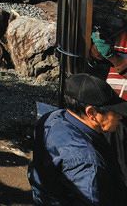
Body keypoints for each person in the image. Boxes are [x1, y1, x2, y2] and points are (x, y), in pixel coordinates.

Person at [28, 73, 127, 205]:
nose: (120, 117)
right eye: (115, 112)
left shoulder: (52, 118)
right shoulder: (87, 163)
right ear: (91, 113)